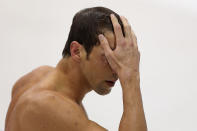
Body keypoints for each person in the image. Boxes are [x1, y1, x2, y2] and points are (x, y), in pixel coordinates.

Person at [5, 7, 147, 131]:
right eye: (108, 58)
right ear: (77, 51)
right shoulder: (47, 106)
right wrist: (131, 79)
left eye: (119, 59)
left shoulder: (38, 77)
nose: (117, 70)